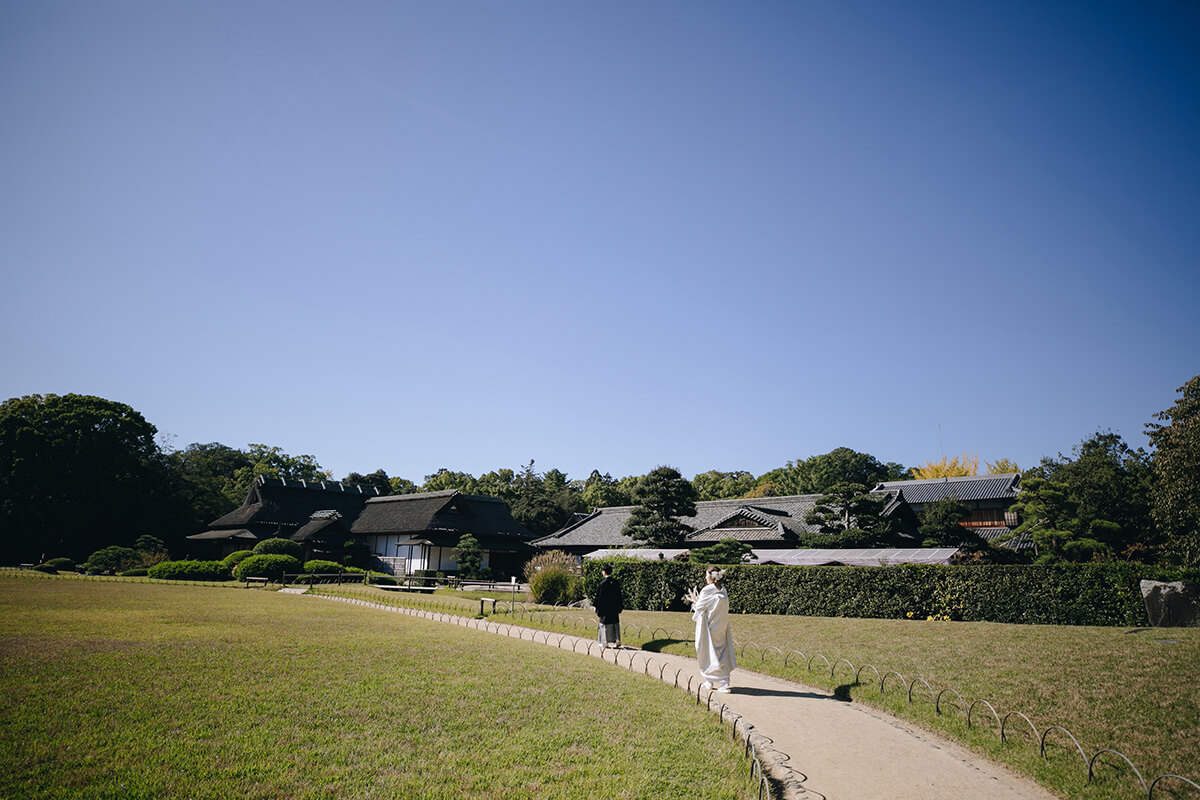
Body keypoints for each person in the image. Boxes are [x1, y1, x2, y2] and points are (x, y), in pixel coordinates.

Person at [691, 566, 736, 692]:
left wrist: (695, 600)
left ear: (712, 576)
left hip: (710, 626)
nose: (705, 577)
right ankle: (719, 681)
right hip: (721, 625)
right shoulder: (723, 589)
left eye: (706, 575)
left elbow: (699, 607)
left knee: (706, 650)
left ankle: (715, 680)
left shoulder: (707, 590)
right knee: (720, 652)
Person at [594, 563, 624, 648]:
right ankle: (617, 639)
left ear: (604, 572)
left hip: (605, 608)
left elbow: (599, 597)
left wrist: (596, 607)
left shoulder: (603, 584)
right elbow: (619, 596)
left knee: (604, 624)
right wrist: (619, 607)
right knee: (615, 623)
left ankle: (604, 642)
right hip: (614, 607)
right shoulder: (616, 582)